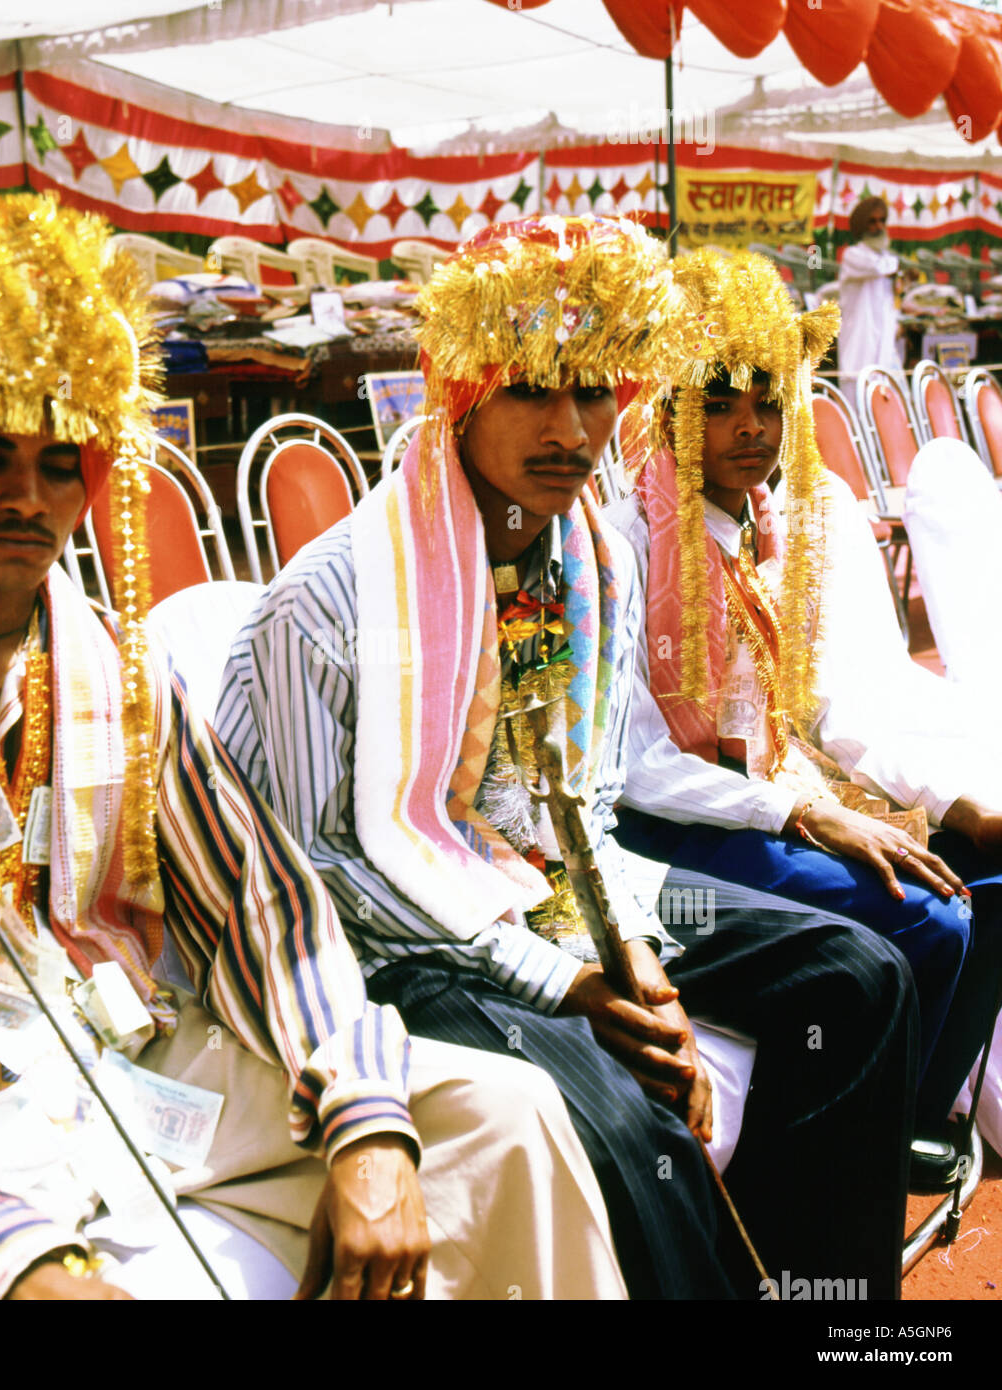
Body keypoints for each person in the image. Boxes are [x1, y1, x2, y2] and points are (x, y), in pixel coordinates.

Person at [0, 193, 626, 1302]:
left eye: (63, 462)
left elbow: (264, 904)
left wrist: (361, 1114)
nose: (27, 498)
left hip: (133, 1069)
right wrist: (11, 1266)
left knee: (503, 1120)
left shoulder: (110, 663)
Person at [217, 215, 919, 1299]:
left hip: (574, 891)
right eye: (535, 389)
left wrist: (632, 942)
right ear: (465, 391)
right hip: (407, 946)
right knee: (622, 1114)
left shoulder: (593, 558)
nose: (572, 429)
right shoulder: (329, 600)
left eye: (596, 392)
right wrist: (576, 981)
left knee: (857, 972)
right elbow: (329, 879)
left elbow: (588, 802)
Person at [605, 246, 1002, 1179]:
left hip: (765, 808)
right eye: (721, 401)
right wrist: (800, 812)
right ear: (671, 408)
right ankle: (851, 1143)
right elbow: (634, 765)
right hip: (667, 839)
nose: (751, 428)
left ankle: (899, 1116)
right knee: (931, 923)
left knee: (985, 886)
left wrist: (951, 805)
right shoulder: (628, 548)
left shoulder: (762, 531)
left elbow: (825, 708)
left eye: (768, 402)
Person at [837, 195, 904, 404]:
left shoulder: (886, 258)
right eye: (872, 221)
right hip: (859, 343)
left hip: (883, 344)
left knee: (888, 407)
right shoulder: (853, 255)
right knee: (856, 407)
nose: (879, 226)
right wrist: (897, 267)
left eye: (882, 220)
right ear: (862, 225)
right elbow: (877, 267)